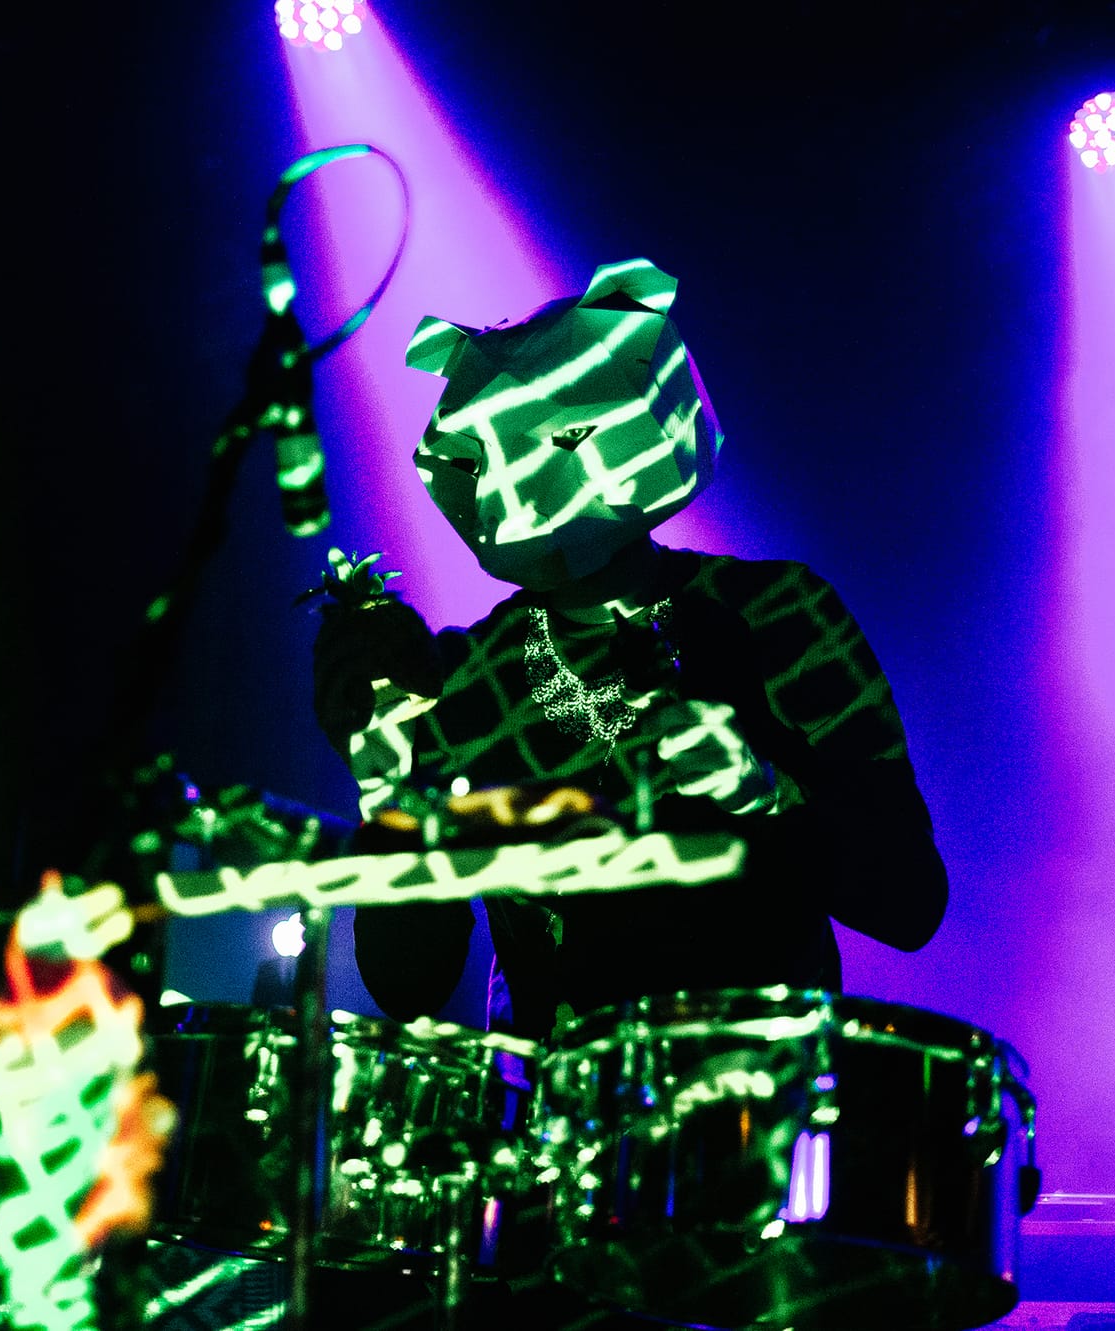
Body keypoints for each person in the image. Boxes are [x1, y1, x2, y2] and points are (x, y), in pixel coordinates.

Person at [311, 258, 948, 1044]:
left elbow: (911, 900)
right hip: (560, 1133)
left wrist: (762, 788)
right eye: (488, 455)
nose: (523, 482)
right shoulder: (470, 682)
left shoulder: (778, 615)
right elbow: (410, 982)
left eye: (566, 435)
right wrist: (388, 797)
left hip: (757, 1113)